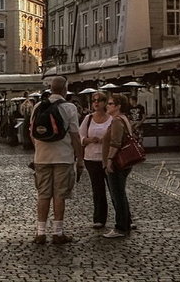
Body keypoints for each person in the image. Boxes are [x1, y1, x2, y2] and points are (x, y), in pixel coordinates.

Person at [30, 76, 83, 245]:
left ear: (51, 88)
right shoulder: (70, 108)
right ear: (65, 89)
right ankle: (58, 233)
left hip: (42, 157)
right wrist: (80, 158)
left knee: (43, 194)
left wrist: (39, 148)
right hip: (63, 157)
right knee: (60, 194)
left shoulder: (38, 106)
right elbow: (75, 135)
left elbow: (32, 133)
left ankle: (40, 233)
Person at [101, 94, 134, 238]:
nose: (107, 106)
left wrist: (109, 160)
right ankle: (126, 223)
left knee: (117, 195)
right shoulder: (123, 119)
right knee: (120, 193)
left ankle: (121, 227)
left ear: (118, 106)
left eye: (110, 103)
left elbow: (115, 143)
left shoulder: (116, 121)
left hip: (117, 162)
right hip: (124, 162)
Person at [79, 93, 112, 229]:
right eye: (94, 101)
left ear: (105, 103)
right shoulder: (88, 119)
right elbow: (80, 137)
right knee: (98, 190)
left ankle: (124, 217)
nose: (96, 103)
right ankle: (99, 218)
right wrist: (88, 140)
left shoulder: (111, 119)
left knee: (115, 189)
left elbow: (117, 137)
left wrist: (106, 140)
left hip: (109, 158)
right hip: (91, 158)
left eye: (99, 101)